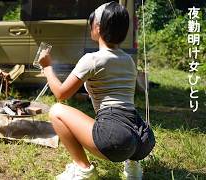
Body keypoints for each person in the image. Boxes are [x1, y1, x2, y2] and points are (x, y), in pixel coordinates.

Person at [38, 1, 155, 180]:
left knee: (56, 111)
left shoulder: (92, 59)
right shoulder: (128, 60)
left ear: (98, 27)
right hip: (141, 138)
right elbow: (111, 91)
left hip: (114, 138)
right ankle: (133, 166)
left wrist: (47, 68)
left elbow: (61, 94)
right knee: (123, 126)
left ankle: (83, 169)